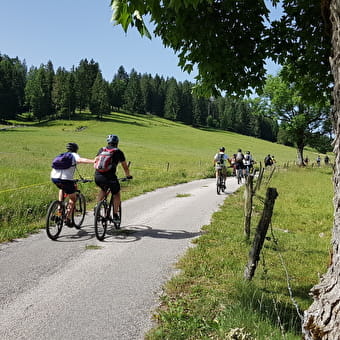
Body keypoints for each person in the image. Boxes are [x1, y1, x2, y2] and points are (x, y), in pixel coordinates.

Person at [51, 142, 94, 227]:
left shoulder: (62, 155)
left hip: (54, 177)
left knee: (62, 188)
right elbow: (81, 160)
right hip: (66, 179)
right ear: (76, 150)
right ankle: (67, 218)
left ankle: (59, 207)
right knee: (73, 199)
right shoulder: (74, 155)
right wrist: (93, 161)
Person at [94, 134, 132, 222]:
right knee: (116, 194)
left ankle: (97, 206)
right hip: (110, 177)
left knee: (103, 189)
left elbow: (95, 160)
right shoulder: (118, 152)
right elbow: (125, 167)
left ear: (108, 142)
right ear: (117, 142)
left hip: (98, 176)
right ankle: (115, 215)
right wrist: (128, 176)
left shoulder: (102, 149)